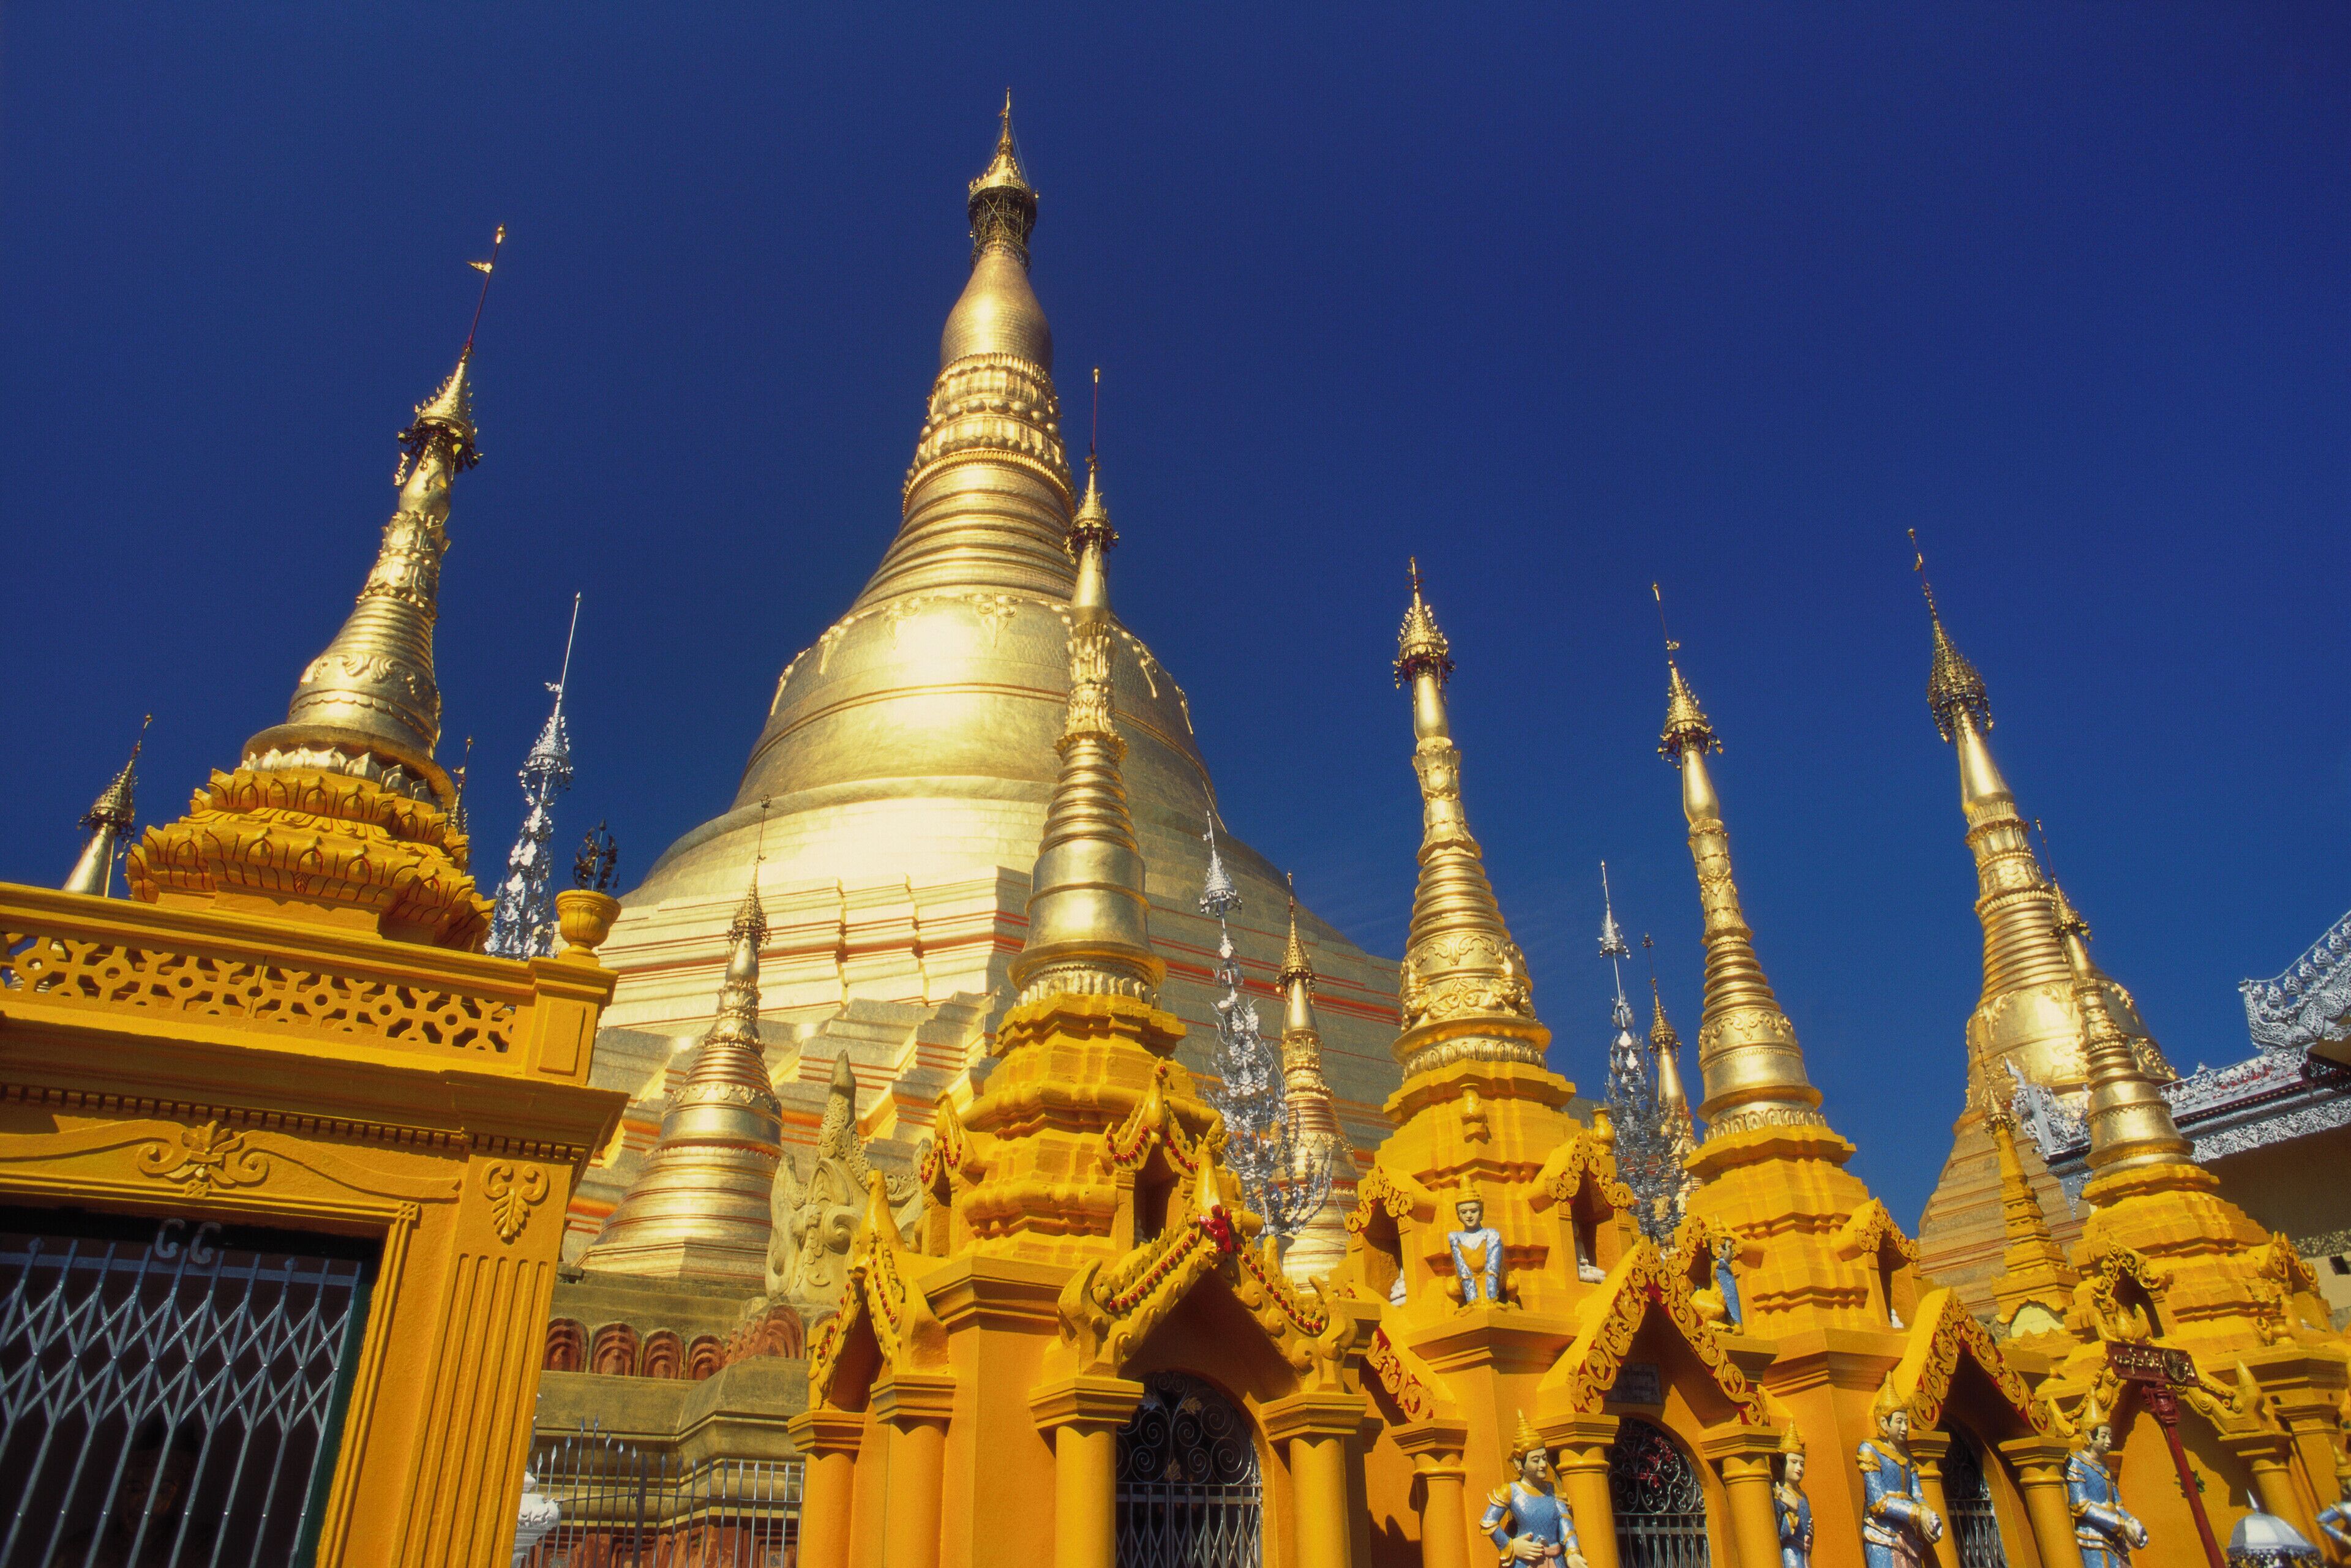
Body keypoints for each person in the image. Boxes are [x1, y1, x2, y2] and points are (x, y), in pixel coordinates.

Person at [1481, 1411, 1588, 1567]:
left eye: (1544, 1458)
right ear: (1519, 1464)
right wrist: (1511, 1546)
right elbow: (1488, 1522)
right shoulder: (1511, 1491)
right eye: (1536, 1460)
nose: (1543, 1465)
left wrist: (1573, 1553)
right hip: (1525, 1562)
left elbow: (1566, 1525)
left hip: (1556, 1562)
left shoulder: (1552, 1492)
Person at [1858, 1380, 1943, 1568]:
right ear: (1883, 1423)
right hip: (1880, 1535)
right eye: (1899, 1422)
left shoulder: (1908, 1458)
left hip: (1907, 1535)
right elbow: (1877, 1502)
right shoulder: (1870, 1450)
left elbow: (1918, 1496)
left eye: (1906, 1422)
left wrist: (1927, 1513)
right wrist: (1917, 1513)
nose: (1905, 1428)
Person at [2066, 1398, 2148, 1568]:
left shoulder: (2104, 1468)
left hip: (2113, 1538)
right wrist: (2119, 1524)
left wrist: (2132, 1522)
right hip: (2092, 1539)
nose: (2109, 1442)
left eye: (2110, 1436)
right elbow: (2081, 1505)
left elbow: (2117, 1504)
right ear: (2089, 1436)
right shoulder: (2077, 1463)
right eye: (2103, 1436)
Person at [1450, 1190, 1505, 1308]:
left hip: (1491, 1278)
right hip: (1469, 1280)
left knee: (1511, 1285)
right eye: (1464, 1212)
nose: (1469, 1216)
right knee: (1451, 1290)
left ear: (1481, 1213)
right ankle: (1465, 1303)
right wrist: (1472, 1301)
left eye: (1474, 1211)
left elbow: (1493, 1267)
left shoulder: (1491, 1234)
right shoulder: (1455, 1237)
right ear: (1458, 1216)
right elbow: (1462, 1268)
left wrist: (1491, 1299)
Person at [1777, 1428, 1814, 1568]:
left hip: (1804, 1552)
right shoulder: (1780, 1493)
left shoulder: (1803, 1496)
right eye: (1794, 1462)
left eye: (1802, 1464)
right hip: (1790, 1552)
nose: (1799, 1468)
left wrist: (1810, 1535)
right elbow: (1778, 1532)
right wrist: (1792, 1514)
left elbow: (1808, 1524)